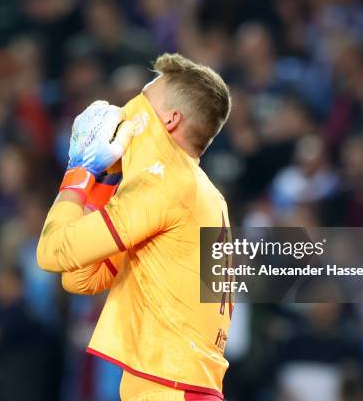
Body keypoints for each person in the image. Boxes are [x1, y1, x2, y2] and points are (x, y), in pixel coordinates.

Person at [37, 53, 232, 400]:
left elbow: (53, 253)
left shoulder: (167, 185)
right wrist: (103, 180)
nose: (127, 109)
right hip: (174, 384)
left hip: (171, 388)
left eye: (144, 98)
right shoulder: (198, 192)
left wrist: (78, 173)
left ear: (170, 120)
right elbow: (81, 277)